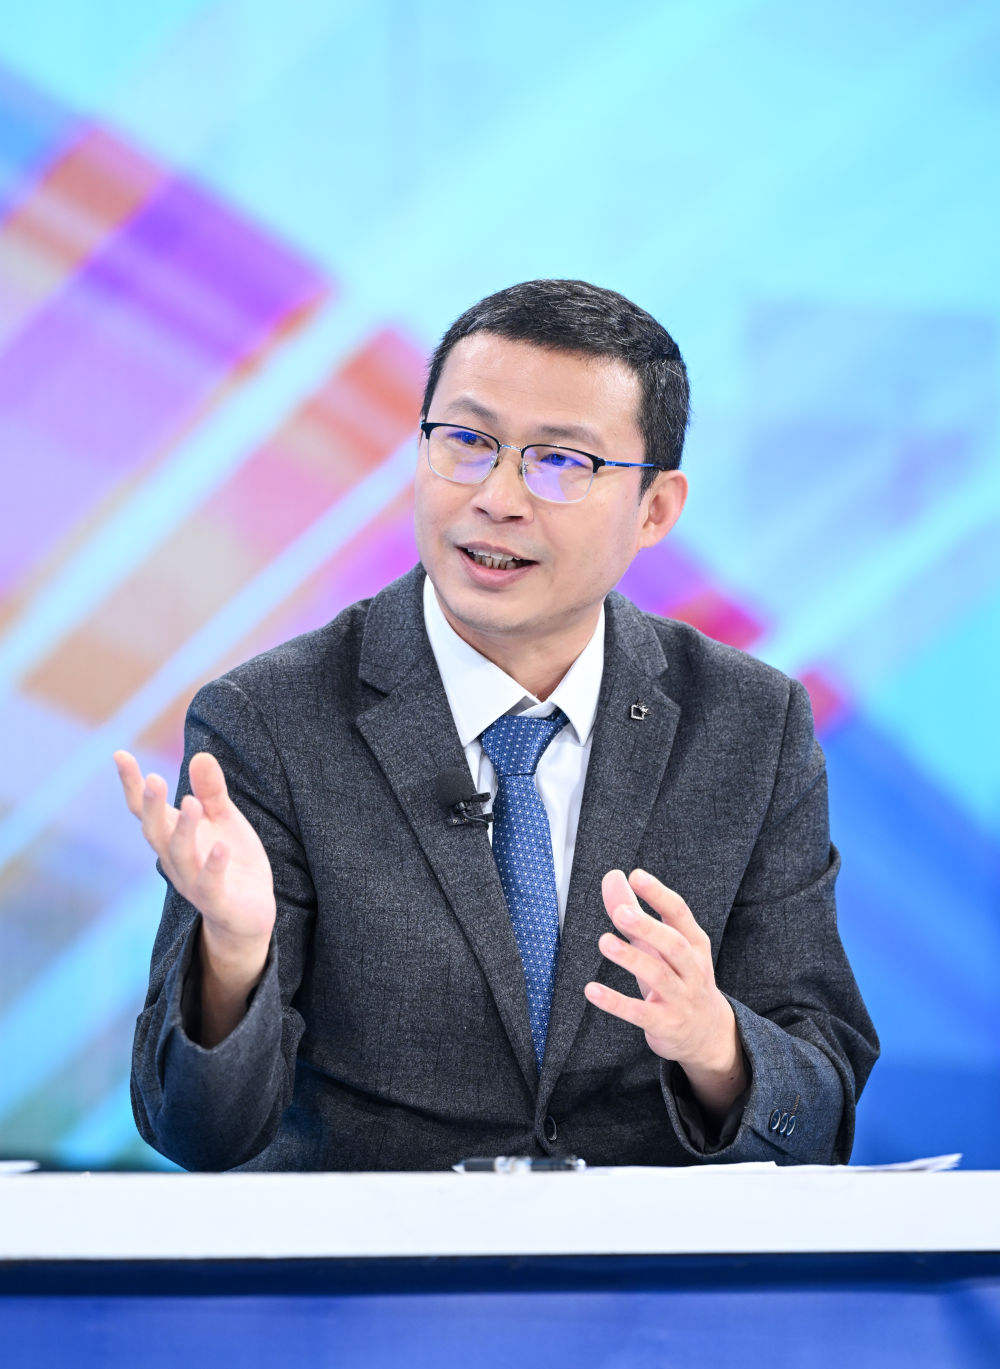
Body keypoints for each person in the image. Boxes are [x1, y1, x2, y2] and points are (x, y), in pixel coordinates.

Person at [117, 278, 878, 1172]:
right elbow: (196, 1130)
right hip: (377, 1254)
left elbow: (821, 1109)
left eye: (560, 461)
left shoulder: (750, 725)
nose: (498, 497)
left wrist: (716, 1045)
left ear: (656, 508)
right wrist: (236, 957)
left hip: (647, 1257)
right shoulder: (270, 722)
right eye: (469, 442)